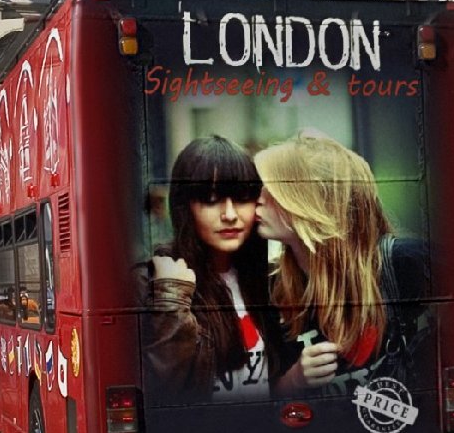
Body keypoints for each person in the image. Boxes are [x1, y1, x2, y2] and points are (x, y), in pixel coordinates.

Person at [253, 135, 428, 396]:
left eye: (273, 188)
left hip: (400, 431)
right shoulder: (271, 285)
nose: (259, 199)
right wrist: (294, 380)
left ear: (313, 199)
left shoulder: (404, 261)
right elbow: (261, 401)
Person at [141, 135, 282, 400]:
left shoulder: (266, 281)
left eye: (241, 198)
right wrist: (171, 298)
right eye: (211, 199)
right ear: (186, 208)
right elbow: (161, 393)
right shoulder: (156, 283)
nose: (229, 214)